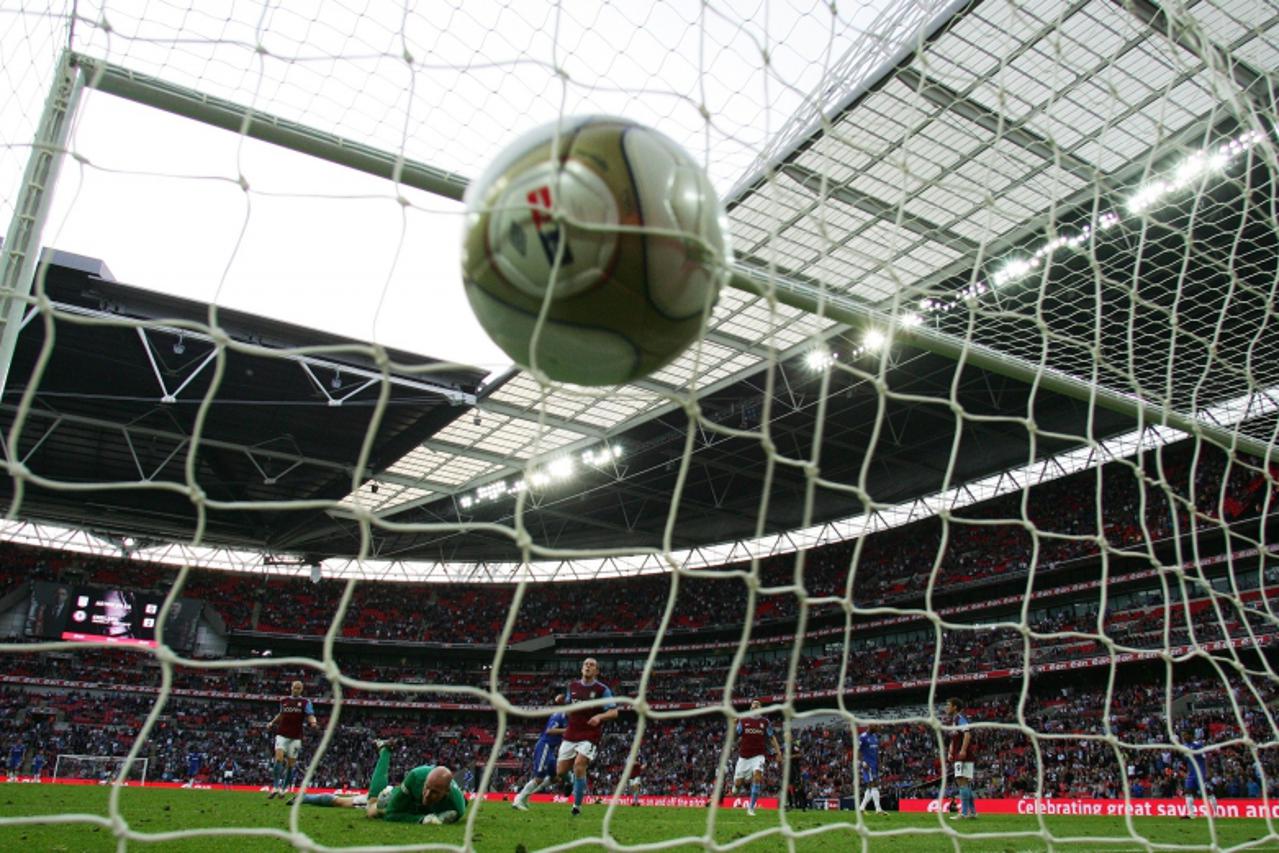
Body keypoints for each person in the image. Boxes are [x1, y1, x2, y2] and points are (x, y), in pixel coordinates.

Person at [295, 738, 465, 824]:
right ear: (425, 782)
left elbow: (463, 802)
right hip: (400, 799)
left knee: (346, 802)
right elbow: (392, 814)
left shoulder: (456, 807)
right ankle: (385, 751)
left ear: (446, 792)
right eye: (427, 788)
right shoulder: (416, 776)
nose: (427, 794)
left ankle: (304, 798)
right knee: (372, 808)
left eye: (434, 792)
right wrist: (422, 820)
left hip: (415, 806)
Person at [556, 657, 618, 816]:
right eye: (585, 664)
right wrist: (563, 702)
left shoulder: (602, 690)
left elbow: (613, 712)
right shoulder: (573, 686)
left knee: (579, 765)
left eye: (592, 665)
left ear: (597, 671)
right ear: (581, 668)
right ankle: (569, 782)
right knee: (561, 772)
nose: (588, 666)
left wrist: (599, 717)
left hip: (590, 734)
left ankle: (577, 806)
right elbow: (570, 711)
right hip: (572, 732)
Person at [512, 694, 567, 810]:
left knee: (555, 778)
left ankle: (525, 797)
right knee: (539, 778)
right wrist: (567, 730)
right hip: (545, 746)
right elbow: (550, 730)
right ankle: (518, 799)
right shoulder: (559, 715)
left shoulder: (564, 715)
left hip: (551, 749)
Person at [266, 680, 319, 799]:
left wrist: (313, 723)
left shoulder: (305, 702)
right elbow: (281, 714)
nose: (296, 690)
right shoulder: (284, 701)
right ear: (291, 688)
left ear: (302, 690)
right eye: (295, 687)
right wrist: (272, 723)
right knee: (278, 758)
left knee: (291, 765)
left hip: (295, 737)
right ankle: (275, 787)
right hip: (282, 734)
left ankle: (283, 790)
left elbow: (310, 714)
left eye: (299, 688)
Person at [731, 699, 781, 817]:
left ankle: (751, 808)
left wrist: (779, 752)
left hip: (758, 756)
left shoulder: (765, 722)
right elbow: (734, 737)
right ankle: (736, 786)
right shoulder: (743, 721)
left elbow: (772, 737)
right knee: (738, 783)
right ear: (750, 708)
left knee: (757, 777)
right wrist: (734, 725)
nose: (755, 707)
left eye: (758, 706)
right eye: (753, 706)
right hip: (744, 757)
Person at [945, 697, 977, 820]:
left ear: (955, 707)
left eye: (949, 705)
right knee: (966, 784)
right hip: (960, 754)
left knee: (961, 781)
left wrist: (962, 750)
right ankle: (972, 812)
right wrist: (950, 751)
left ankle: (963, 813)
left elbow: (967, 734)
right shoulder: (955, 720)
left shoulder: (959, 718)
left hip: (962, 755)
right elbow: (954, 739)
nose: (946, 707)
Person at [1181, 737, 1216, 819]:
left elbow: (1205, 757)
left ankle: (1215, 813)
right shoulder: (1185, 746)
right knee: (1188, 791)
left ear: (1190, 735)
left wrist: (1207, 771)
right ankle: (1191, 814)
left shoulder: (1197, 745)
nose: (1184, 737)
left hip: (1200, 772)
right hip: (1191, 773)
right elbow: (1187, 760)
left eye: (1186, 735)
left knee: (1207, 792)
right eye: (1183, 735)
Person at [858, 724, 886, 815]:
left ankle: (861, 808)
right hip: (867, 764)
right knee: (874, 785)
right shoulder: (863, 737)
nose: (878, 728)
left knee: (870, 787)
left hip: (874, 765)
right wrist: (863, 762)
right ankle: (878, 809)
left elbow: (876, 751)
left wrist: (880, 763)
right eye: (876, 727)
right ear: (871, 726)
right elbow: (857, 750)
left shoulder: (875, 737)